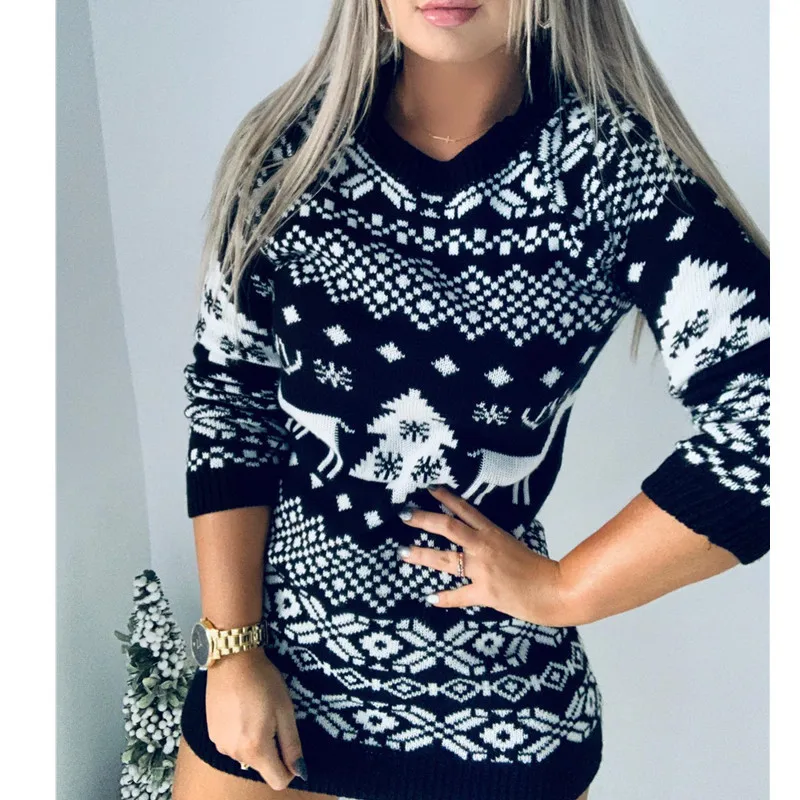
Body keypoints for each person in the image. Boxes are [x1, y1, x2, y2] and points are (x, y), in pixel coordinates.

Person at [171, 1, 770, 799]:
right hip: (270, 687)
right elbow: (230, 403)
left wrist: (566, 588)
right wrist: (232, 650)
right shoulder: (288, 154)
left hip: (498, 715)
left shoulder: (611, 173)